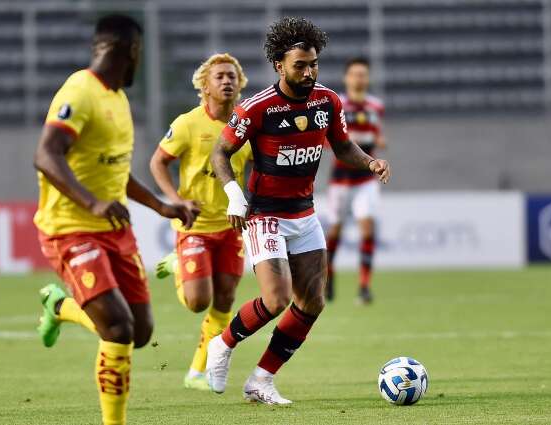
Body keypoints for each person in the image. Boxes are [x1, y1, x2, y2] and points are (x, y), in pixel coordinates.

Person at [207, 17, 391, 405]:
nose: (309, 72)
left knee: (312, 302)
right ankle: (221, 345)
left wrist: (370, 162)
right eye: (300, 66)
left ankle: (261, 380)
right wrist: (232, 194)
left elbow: (342, 147)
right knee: (275, 299)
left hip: (303, 214)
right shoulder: (258, 108)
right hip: (264, 213)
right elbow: (220, 152)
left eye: (313, 64)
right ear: (279, 65)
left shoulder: (327, 101)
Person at [33, 15, 197, 425]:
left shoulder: (119, 101)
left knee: (140, 332)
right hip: (70, 229)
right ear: (132, 52)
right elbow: (46, 154)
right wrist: (91, 203)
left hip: (114, 232)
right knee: (118, 329)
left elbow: (115, 171)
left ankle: (59, 307)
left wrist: (162, 207)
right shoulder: (79, 92)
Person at [149, 53, 252, 391]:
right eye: (219, 76)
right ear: (204, 86)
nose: (227, 81)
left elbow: (259, 166)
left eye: (232, 76)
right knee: (197, 302)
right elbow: (158, 163)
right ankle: (178, 263)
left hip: (231, 225)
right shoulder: (187, 124)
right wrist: (175, 200)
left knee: (224, 299)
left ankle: (197, 371)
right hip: (194, 225)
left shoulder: (245, 125)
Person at [325, 57, 387, 304]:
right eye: (355, 74)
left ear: (367, 78)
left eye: (363, 74)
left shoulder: (376, 106)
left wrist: (378, 141)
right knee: (335, 231)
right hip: (340, 180)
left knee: (367, 229)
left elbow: (379, 135)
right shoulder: (338, 104)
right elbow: (329, 137)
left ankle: (364, 286)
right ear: (346, 78)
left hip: (365, 180)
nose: (359, 78)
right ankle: (328, 275)